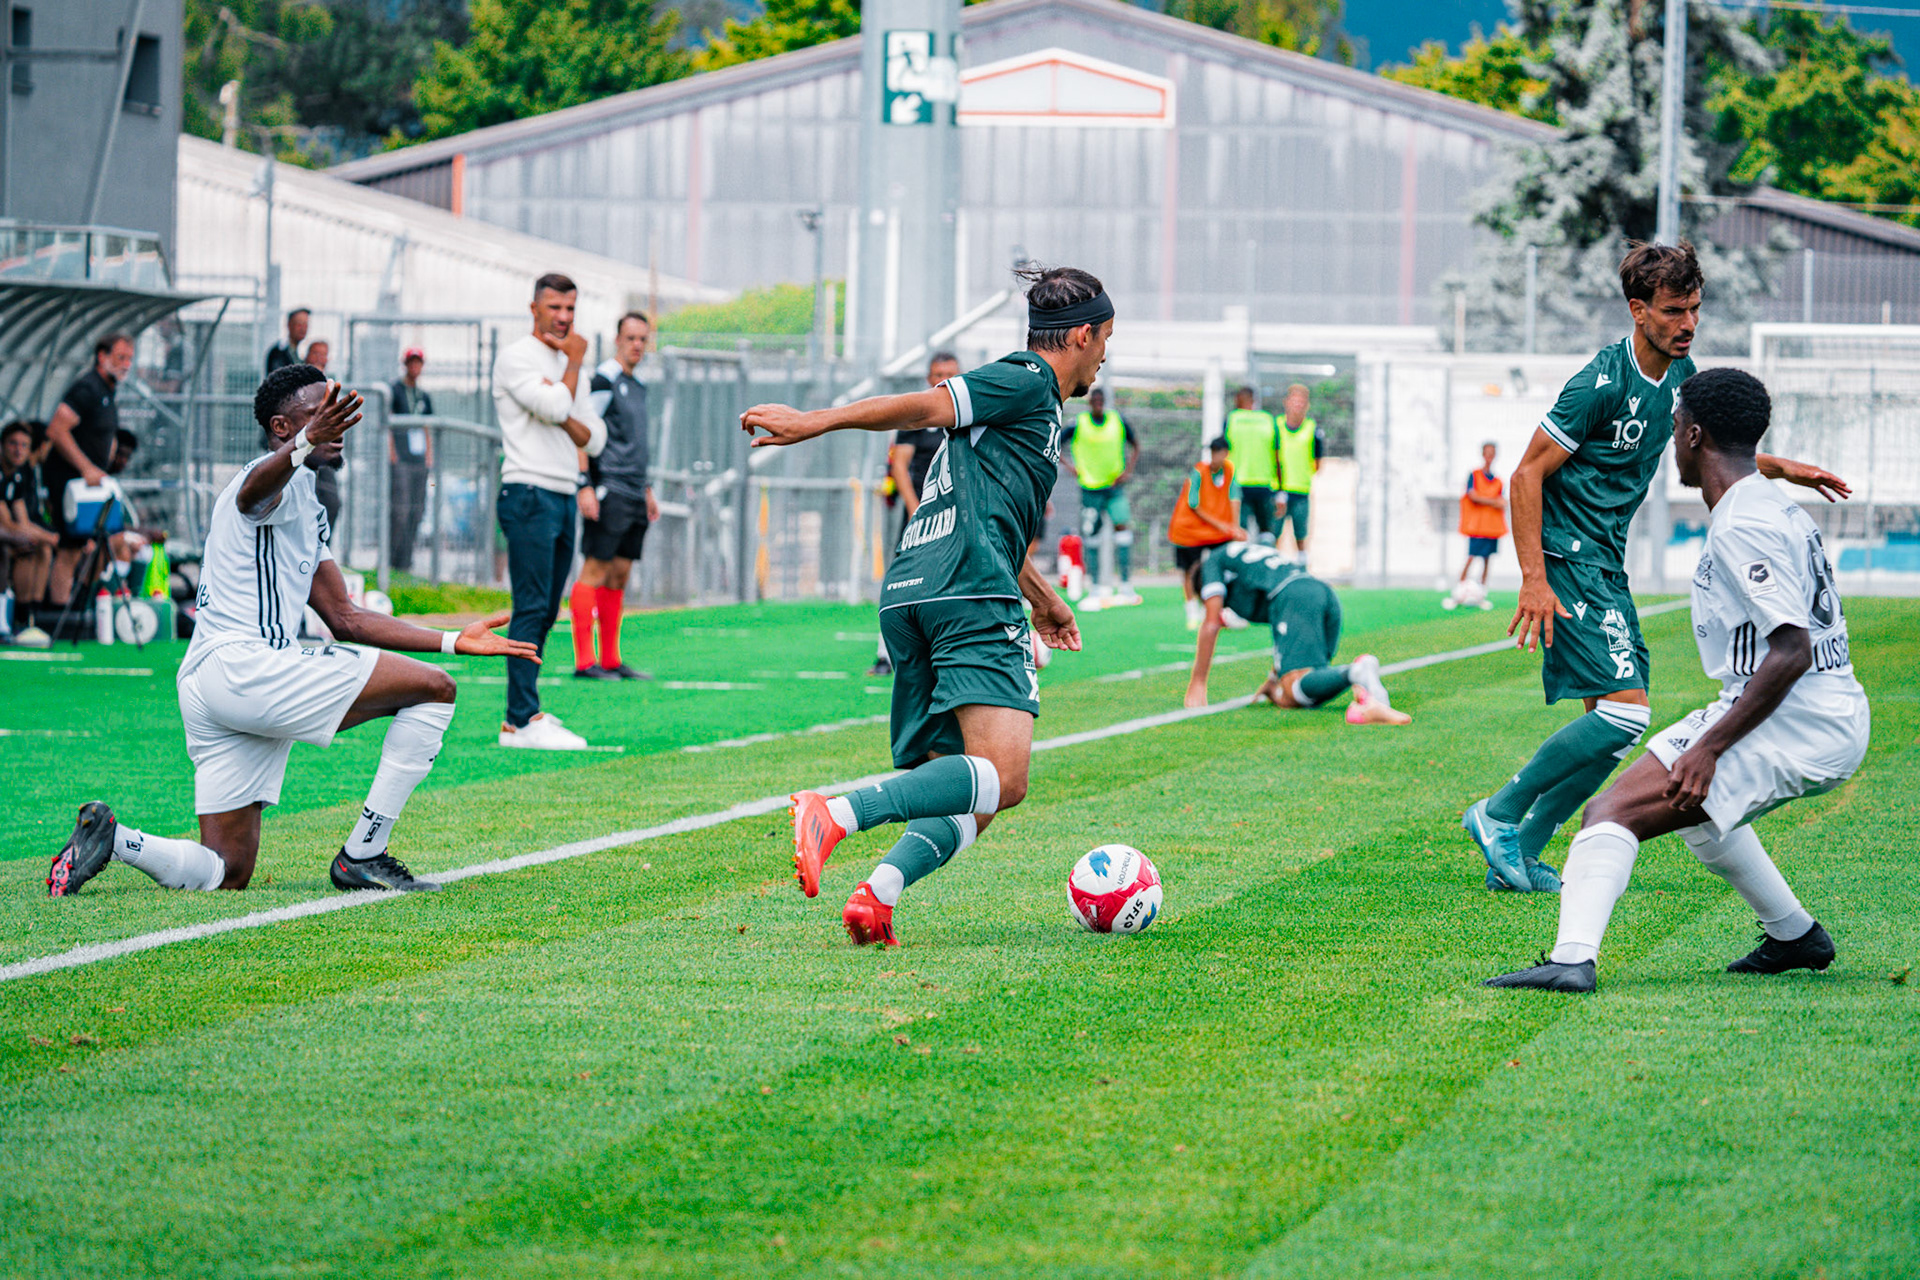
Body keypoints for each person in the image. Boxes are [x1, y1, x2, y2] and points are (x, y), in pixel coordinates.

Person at [45, 364, 538, 898]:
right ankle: (363, 854)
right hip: (244, 667)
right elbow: (252, 495)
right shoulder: (264, 479)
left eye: (336, 410)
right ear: (283, 427)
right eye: (320, 412)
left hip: (216, 682)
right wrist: (306, 443)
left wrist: (451, 639)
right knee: (435, 690)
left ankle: (116, 841)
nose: (336, 423)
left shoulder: (307, 496)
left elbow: (344, 617)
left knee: (226, 871)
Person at [1462, 242, 1849, 896]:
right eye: (1673, 311)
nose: (1687, 323)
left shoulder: (1681, 374)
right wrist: (1534, 576)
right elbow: (1526, 474)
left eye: (1694, 308)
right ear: (1638, 310)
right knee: (1625, 714)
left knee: (1607, 732)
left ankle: (1521, 850)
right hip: (1570, 555)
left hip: (1604, 560)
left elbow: (1717, 443)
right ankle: (1498, 814)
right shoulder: (1599, 382)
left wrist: (1784, 468)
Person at [740, 264, 1100, 947]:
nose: (1107, 356)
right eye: (1107, 339)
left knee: (967, 785)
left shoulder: (1026, 410)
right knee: (1005, 777)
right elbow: (931, 404)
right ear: (1081, 335)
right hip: (965, 592)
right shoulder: (1027, 379)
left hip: (916, 588)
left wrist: (1045, 597)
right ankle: (837, 814)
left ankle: (878, 896)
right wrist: (815, 422)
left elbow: (987, 514)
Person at [1486, 369, 1869, 992]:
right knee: (1695, 812)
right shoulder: (1767, 501)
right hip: (1811, 706)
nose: (1668, 438)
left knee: (1609, 812)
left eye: (1674, 426)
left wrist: (1710, 747)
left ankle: (1572, 960)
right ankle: (1794, 935)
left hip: (1797, 717)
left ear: (1694, 434)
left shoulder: (1745, 521)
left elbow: (1791, 649)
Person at [492, 272, 606, 749]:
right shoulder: (517, 357)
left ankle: (526, 714)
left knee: (547, 610)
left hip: (561, 492)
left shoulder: (563, 363)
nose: (563, 318)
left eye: (570, 310)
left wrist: (564, 401)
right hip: (528, 491)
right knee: (532, 606)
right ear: (534, 308)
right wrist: (572, 371)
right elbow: (558, 406)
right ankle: (518, 721)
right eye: (554, 307)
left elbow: (593, 436)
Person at [1183, 541, 1408, 724]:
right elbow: (1283, 631)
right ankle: (1375, 701)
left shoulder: (1212, 563)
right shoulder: (1244, 558)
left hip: (1295, 598)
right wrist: (1273, 678)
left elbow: (1211, 624)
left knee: (1292, 690)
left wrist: (1198, 681)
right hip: (1321, 592)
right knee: (1303, 691)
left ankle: (1357, 671)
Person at [571, 311, 659, 681]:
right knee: (595, 568)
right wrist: (584, 484)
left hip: (634, 492)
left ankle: (610, 659)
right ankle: (584, 662)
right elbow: (582, 431)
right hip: (608, 487)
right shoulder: (603, 380)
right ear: (617, 339)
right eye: (630, 338)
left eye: (643, 339)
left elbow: (635, 442)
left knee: (620, 573)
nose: (637, 345)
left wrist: (648, 489)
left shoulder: (637, 385)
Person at [870, 351, 962, 677]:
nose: (943, 379)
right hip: (923, 519)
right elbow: (900, 466)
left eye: (950, 373)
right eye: (938, 373)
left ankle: (948, 653)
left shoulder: (966, 414)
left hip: (958, 518)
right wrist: (916, 510)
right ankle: (885, 655)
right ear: (928, 378)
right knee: (901, 580)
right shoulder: (917, 417)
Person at [43, 332, 133, 605]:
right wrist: (86, 468)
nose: (126, 364)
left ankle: (82, 599)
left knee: (110, 540)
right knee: (71, 550)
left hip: (94, 485)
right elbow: (57, 430)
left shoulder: (108, 390)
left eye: (129, 358)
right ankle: (60, 613)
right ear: (102, 357)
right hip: (72, 483)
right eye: (120, 357)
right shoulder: (88, 388)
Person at [1062, 386, 1142, 602]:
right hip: (1090, 488)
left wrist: (1128, 471)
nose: (1098, 403)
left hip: (1114, 488)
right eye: (1094, 400)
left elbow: (1136, 445)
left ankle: (1125, 586)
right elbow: (1056, 444)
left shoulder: (1118, 420)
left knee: (1123, 530)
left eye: (1101, 400)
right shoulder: (1079, 423)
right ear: (1090, 402)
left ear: (1104, 401)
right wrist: (1070, 467)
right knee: (1093, 536)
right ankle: (1095, 587)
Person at [1169, 436, 1245, 629]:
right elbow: (1195, 505)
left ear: (1226, 453)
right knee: (1190, 570)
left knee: (1226, 566)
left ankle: (1225, 611)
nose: (1216, 457)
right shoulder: (1199, 472)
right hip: (1189, 530)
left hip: (1216, 532)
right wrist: (1222, 525)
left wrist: (1234, 527)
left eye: (1219, 453)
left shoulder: (1229, 471)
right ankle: (1192, 611)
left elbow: (1234, 496)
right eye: (1213, 452)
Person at [388, 348, 434, 574]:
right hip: (402, 460)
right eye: (412, 363)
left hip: (418, 461)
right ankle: (392, 561)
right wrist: (392, 454)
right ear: (405, 364)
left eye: (419, 363)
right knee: (401, 509)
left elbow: (426, 427)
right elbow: (387, 425)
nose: (415, 367)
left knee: (417, 510)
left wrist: (428, 456)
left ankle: (406, 562)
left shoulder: (423, 396)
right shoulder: (395, 391)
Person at [1, 420, 56, 609]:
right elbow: (6, 524)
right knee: (22, 545)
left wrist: (45, 538)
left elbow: (22, 521)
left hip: (6, 534)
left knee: (36, 546)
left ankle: (32, 614)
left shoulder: (15, 478)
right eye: (13, 443)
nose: (18, 450)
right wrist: (52, 538)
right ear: (2, 445)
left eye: (24, 445)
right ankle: (19, 615)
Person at [1446, 441, 1506, 610]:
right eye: (1487, 453)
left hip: (1492, 527)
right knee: (1471, 557)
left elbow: (1502, 501)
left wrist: (1494, 502)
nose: (1489, 456)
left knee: (1487, 560)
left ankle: (1482, 594)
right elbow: (1473, 496)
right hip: (1477, 526)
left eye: (1492, 453)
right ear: (1482, 454)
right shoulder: (1474, 475)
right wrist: (1493, 501)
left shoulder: (1499, 481)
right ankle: (1458, 593)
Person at [1224, 386, 1281, 544]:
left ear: (1238, 400)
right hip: (1265, 483)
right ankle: (1265, 562)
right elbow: (1277, 456)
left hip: (1238, 483)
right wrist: (1280, 489)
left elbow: (1223, 453)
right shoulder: (1268, 419)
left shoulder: (1232, 419)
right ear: (1253, 401)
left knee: (1240, 530)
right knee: (1266, 531)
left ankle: (1239, 566)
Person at [1276, 383, 1324, 556]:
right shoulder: (1277, 425)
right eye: (1294, 401)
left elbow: (1318, 463)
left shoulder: (1313, 429)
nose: (1298, 405)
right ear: (1286, 402)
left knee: (1301, 538)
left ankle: (1302, 571)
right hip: (1278, 491)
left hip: (1301, 491)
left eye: (1301, 401)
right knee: (1273, 536)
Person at [265, 308, 310, 374]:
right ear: (289, 325)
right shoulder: (278, 353)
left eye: (305, 324)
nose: (303, 329)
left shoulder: (296, 354)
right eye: (299, 324)